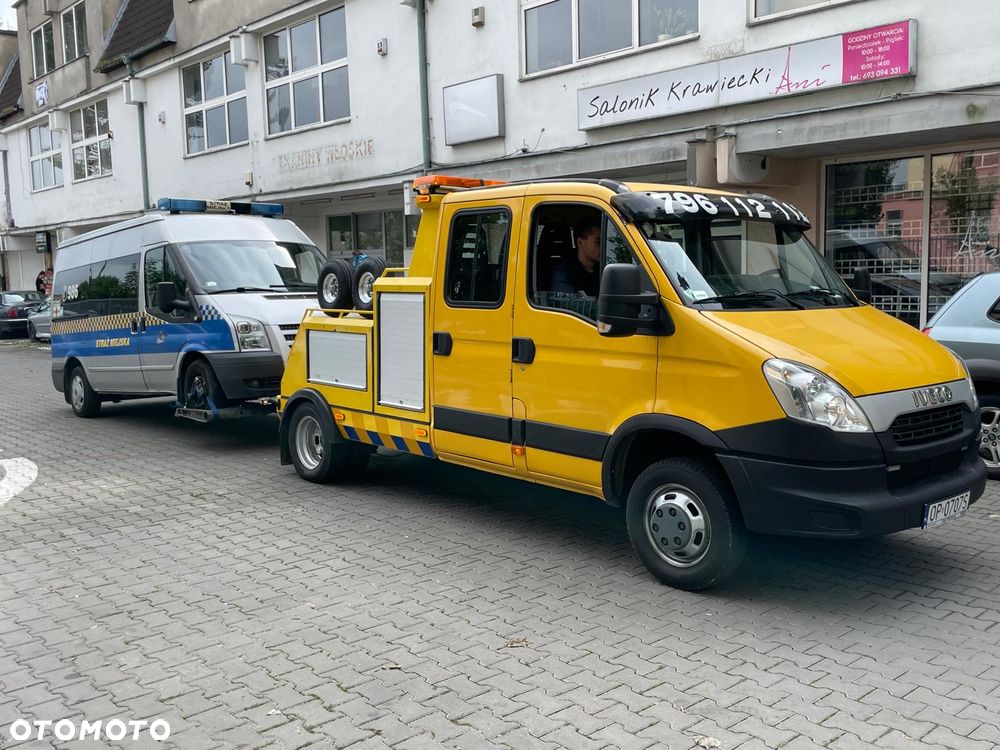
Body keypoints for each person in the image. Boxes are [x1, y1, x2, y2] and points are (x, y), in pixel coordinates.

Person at [550, 217, 601, 297]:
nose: (603, 246)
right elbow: (567, 302)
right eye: (598, 242)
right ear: (580, 242)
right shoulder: (564, 271)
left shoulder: (604, 268)